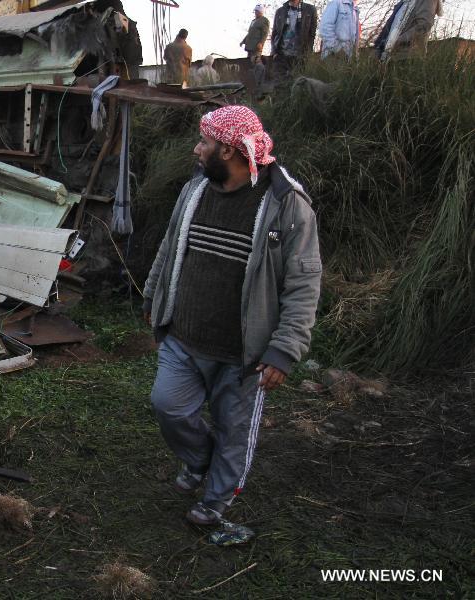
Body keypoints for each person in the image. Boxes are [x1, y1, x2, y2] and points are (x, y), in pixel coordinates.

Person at [142, 105, 322, 525]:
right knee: (168, 407)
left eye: (203, 143)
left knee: (234, 430)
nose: (196, 149)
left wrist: (284, 350)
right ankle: (199, 460)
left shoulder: (286, 205)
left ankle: (218, 497)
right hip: (184, 336)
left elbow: (304, 283)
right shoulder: (195, 191)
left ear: (227, 151)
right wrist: (153, 295)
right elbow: (170, 248)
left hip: (243, 353)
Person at [271, 0, 317, 77]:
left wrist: (307, 53)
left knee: (298, 84)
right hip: (281, 55)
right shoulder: (280, 11)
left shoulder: (310, 10)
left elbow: (312, 34)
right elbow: (275, 33)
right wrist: (274, 52)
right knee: (279, 85)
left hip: (300, 56)